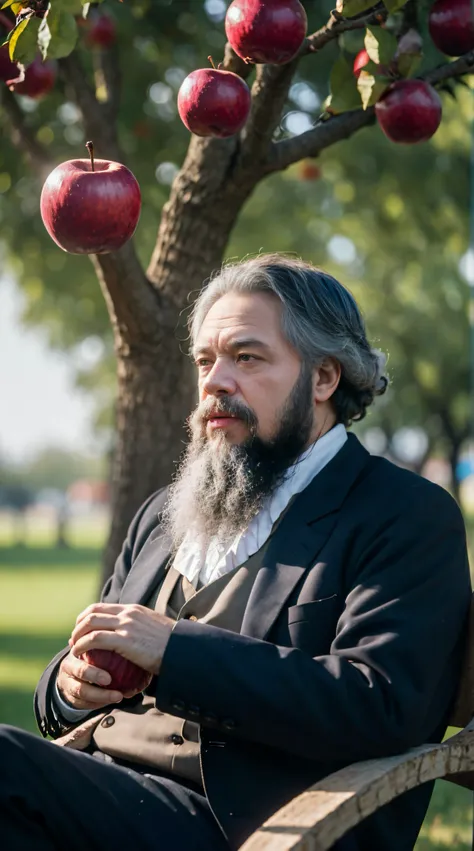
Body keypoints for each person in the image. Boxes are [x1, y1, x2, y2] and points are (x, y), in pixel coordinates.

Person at [0, 254, 470, 851]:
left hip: (250, 826)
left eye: (247, 358)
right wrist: (69, 689)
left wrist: (175, 651)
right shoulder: (162, 515)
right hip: (106, 796)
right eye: (206, 360)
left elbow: (378, 705)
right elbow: (72, 677)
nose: (215, 382)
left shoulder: (402, 514)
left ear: (324, 379)